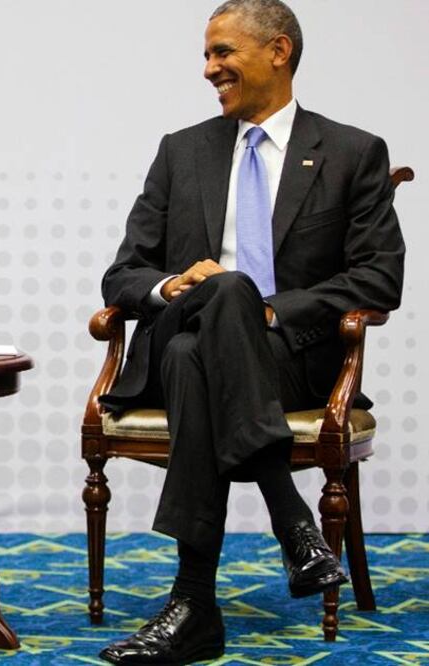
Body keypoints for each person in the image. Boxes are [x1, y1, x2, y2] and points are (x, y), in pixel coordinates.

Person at [96, 1, 404, 663]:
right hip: (195, 329)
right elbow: (122, 275)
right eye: (207, 55)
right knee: (209, 308)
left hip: (291, 358)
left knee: (193, 347)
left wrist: (267, 309)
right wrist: (172, 286)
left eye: (221, 52)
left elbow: (378, 281)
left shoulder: (351, 153)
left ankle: (192, 606)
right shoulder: (182, 151)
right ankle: (290, 517)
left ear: (278, 51)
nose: (208, 68)